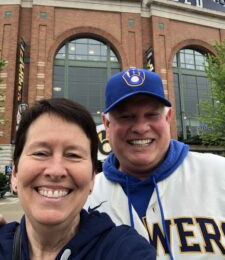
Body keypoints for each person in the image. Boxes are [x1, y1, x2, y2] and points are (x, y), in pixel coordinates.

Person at [85, 67, 225, 260]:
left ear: (167, 118)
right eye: (126, 116)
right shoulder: (86, 197)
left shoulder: (219, 174)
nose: (141, 128)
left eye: (152, 115)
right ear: (107, 125)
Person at [0, 98, 156, 260]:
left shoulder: (124, 250)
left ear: (92, 179)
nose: (56, 171)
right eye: (40, 153)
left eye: (73, 155)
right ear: (15, 174)